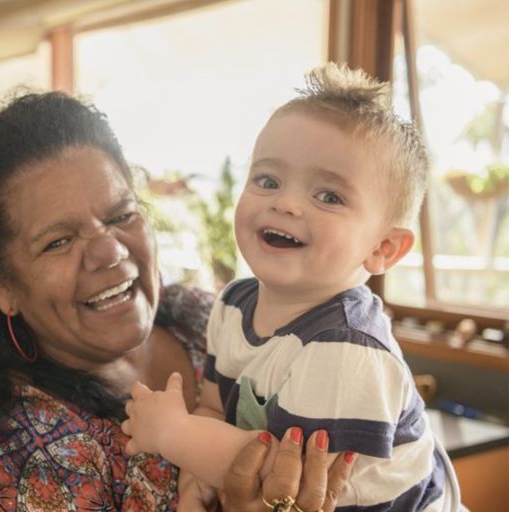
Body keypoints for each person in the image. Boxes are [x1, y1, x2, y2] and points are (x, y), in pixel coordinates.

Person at [0, 91, 357, 511]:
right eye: (58, 242)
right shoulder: (23, 461)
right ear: (3, 285)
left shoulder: (205, 316)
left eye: (120, 215)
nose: (110, 250)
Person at [122, 63, 462, 511]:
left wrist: (174, 435)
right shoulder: (233, 304)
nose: (284, 203)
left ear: (382, 248)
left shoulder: (345, 345)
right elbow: (213, 407)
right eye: (267, 181)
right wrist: (195, 483)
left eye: (329, 196)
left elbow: (288, 478)